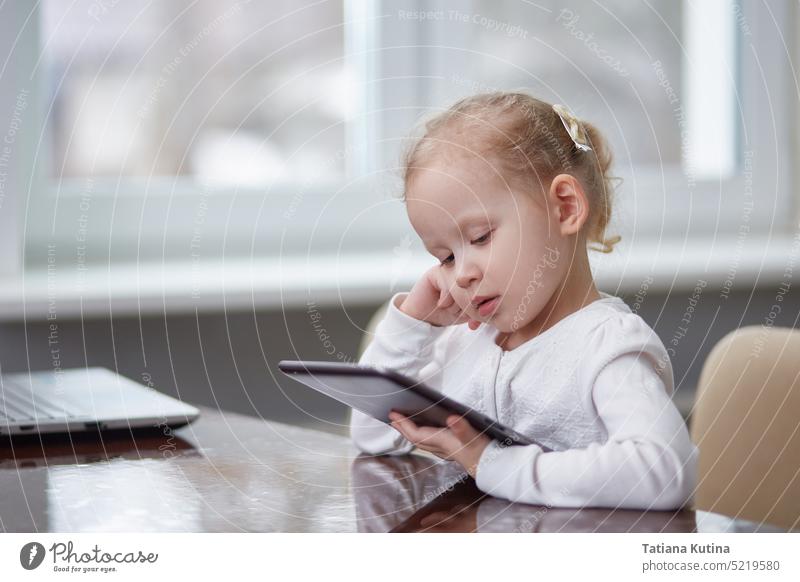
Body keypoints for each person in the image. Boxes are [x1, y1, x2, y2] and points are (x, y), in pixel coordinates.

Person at [350, 92, 697, 510]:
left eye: (480, 237)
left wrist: (492, 464)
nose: (461, 274)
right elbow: (372, 436)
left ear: (565, 206)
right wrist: (411, 324)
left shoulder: (605, 346)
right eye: (444, 257)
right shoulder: (464, 340)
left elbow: (663, 472)